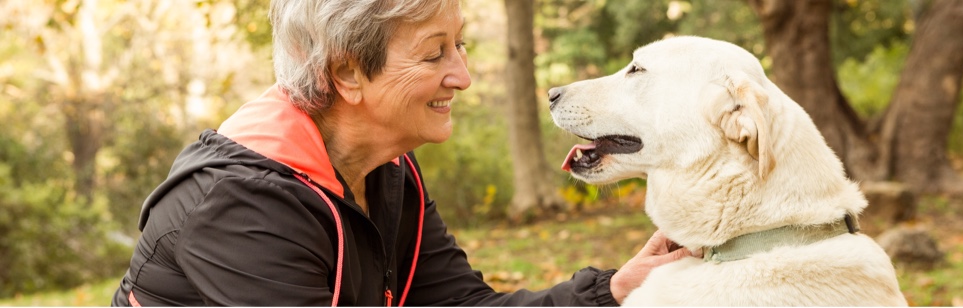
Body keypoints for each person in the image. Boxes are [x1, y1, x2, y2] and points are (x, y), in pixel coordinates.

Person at [111, 0, 693, 306]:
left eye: (459, 45)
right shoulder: (239, 208)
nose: (462, 76)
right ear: (346, 72)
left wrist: (614, 291)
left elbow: (462, 307)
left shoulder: (386, 172)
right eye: (435, 53)